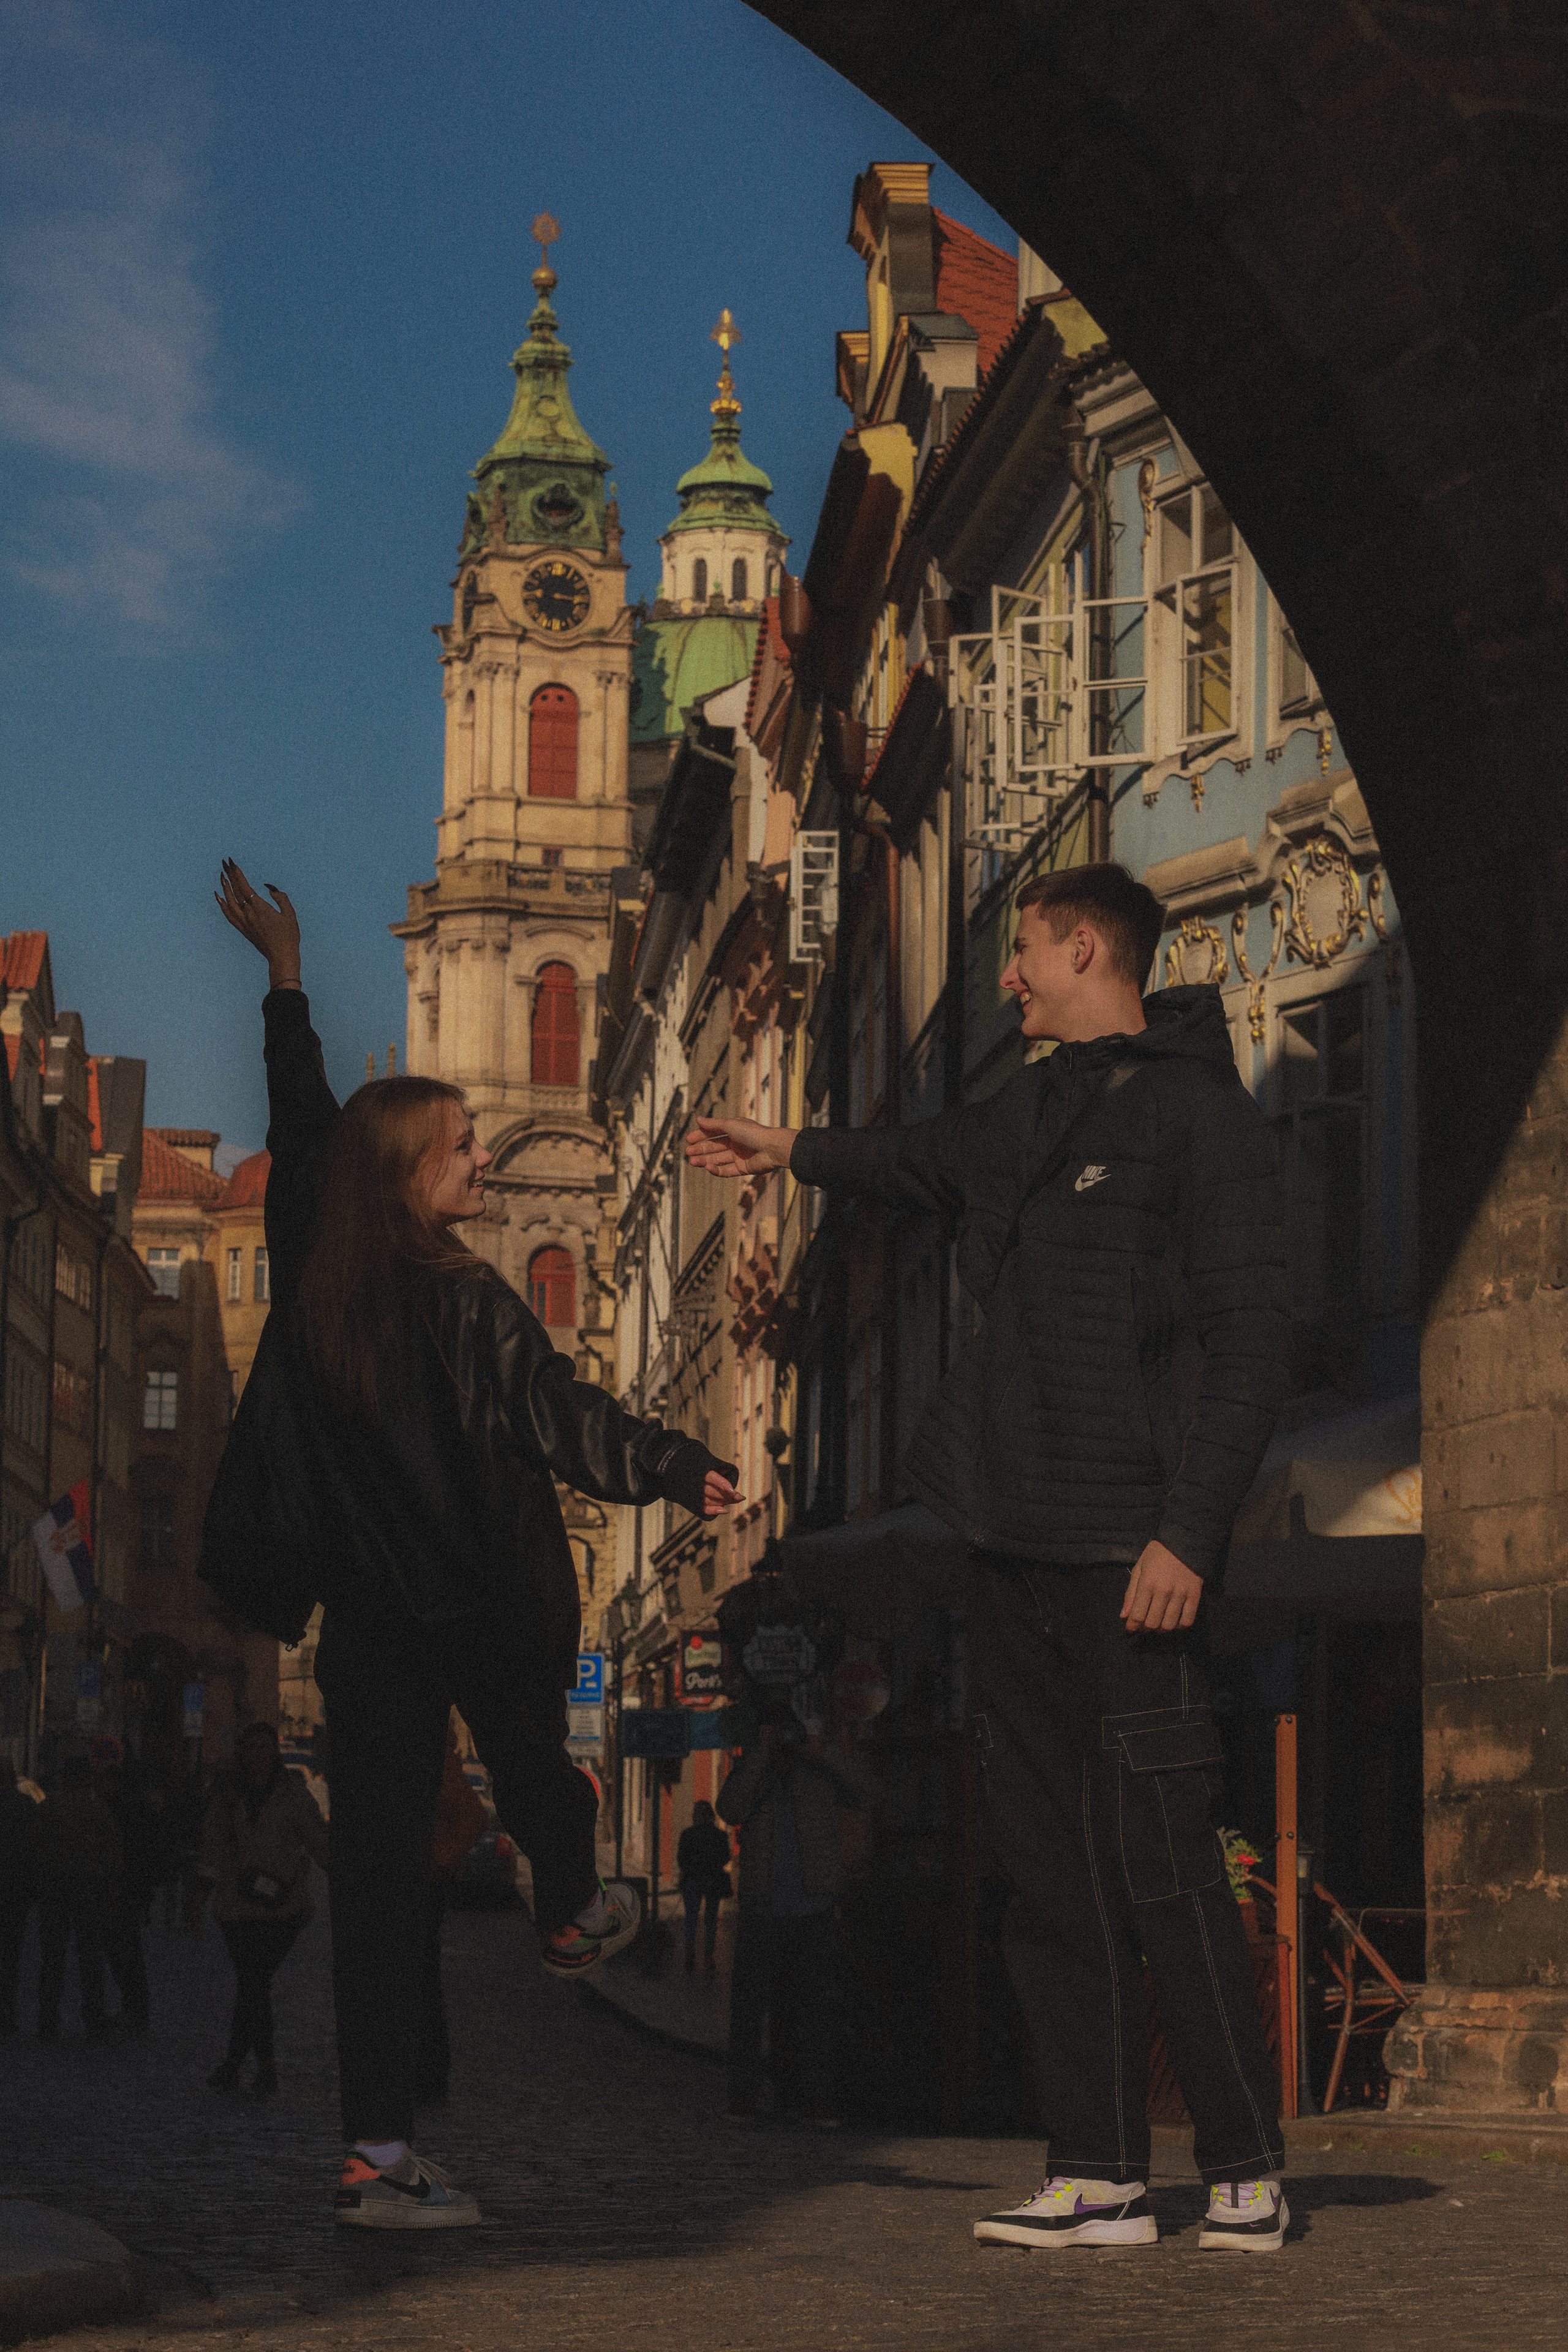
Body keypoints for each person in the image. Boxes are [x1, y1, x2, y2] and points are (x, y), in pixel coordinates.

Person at [687, 862, 1292, 2253]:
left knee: (1162, 1857)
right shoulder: (1027, 1111)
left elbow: (1252, 1340)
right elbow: (915, 1161)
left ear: (1082, 948)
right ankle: (1094, 2168)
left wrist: (1186, 1531)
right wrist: (783, 1148)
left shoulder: (1199, 1117)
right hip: (1007, 1539)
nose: (1004, 977)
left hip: (1130, 1548)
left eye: (1019, 953)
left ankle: (1248, 2163)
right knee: (1042, 1868)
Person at [209, 859, 740, 2230]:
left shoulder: (317, 1257)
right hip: (490, 1601)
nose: (483, 1159)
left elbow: (295, 1112)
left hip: (371, 1625)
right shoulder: (467, 1298)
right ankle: (567, 1911)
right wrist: (676, 1463)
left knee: (381, 1907)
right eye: (461, 1149)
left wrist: (283, 980)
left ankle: (375, 2163)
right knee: (533, 1766)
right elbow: (561, 1418)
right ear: (407, 1174)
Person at [718, 1718, 876, 2124]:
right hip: (762, 1908)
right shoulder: (757, 1771)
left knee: (816, 2010)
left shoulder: (820, 1772)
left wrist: (823, 1752)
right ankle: (745, 2098)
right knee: (751, 2013)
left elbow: (867, 1792)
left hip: (814, 1909)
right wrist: (760, 1755)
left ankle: (814, 2100)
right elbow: (729, 1808)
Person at [193, 1721, 330, 2095]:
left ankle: (247, 2068)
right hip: (237, 1907)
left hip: (282, 1907)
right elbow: (212, 1846)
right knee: (254, 1984)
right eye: (251, 1747)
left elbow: (319, 1842)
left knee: (253, 1983)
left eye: (264, 1748)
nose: (258, 1755)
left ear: (275, 1754)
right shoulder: (228, 1794)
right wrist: (199, 1899)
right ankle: (250, 2070)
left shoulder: (293, 1794)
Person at [416, 1717, 486, 2103]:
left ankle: (429, 2078)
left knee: (422, 1982)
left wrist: (439, 1860)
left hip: (423, 1886)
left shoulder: (437, 1763)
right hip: (402, 1887)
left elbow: (474, 1817)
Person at [36, 1752, 120, 2042]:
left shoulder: (49, 1808)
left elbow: (36, 1848)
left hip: (55, 1886)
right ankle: (94, 2020)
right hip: (89, 1886)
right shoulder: (98, 1809)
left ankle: (47, 2022)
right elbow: (113, 1849)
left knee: (52, 1957)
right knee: (90, 1957)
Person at [90, 1736, 151, 2037]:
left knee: (125, 1955)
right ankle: (136, 2010)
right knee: (124, 1955)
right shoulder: (126, 1809)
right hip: (123, 1893)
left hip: (121, 1893)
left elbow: (134, 1856)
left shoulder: (121, 1811)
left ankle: (137, 2011)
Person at [1, 1757, 41, 2033]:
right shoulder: (26, 1806)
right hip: (16, 1889)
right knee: (11, 1954)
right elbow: (36, 1848)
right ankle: (7, 2014)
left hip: (15, 1886)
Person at [676, 1798, 731, 1975]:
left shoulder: (687, 1835)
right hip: (713, 1881)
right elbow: (725, 1858)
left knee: (691, 1917)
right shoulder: (720, 1836)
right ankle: (708, 1956)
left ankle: (690, 1951)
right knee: (711, 1919)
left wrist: (692, 1868)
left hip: (692, 1880)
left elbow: (681, 1860)